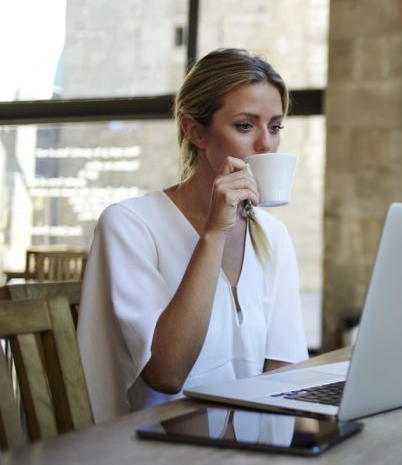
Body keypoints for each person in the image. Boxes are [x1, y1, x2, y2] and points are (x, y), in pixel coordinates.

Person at [77, 48, 308, 423]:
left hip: (247, 450)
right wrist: (215, 232)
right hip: (150, 446)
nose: (267, 144)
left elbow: (283, 370)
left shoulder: (273, 236)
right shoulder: (128, 224)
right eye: (246, 126)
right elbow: (166, 375)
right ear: (195, 131)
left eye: (276, 126)